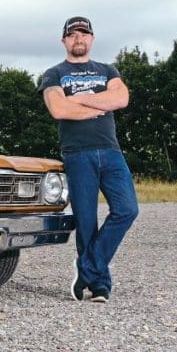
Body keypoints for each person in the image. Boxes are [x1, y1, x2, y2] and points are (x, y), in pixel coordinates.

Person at [37, 16, 138, 303]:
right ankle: (99, 286)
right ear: (64, 41)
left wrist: (77, 99)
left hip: (110, 152)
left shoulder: (108, 69)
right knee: (85, 221)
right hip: (77, 153)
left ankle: (88, 267)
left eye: (84, 34)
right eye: (72, 35)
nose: (78, 39)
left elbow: (121, 100)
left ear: (92, 38)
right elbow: (58, 109)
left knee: (127, 209)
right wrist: (97, 100)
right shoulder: (54, 73)